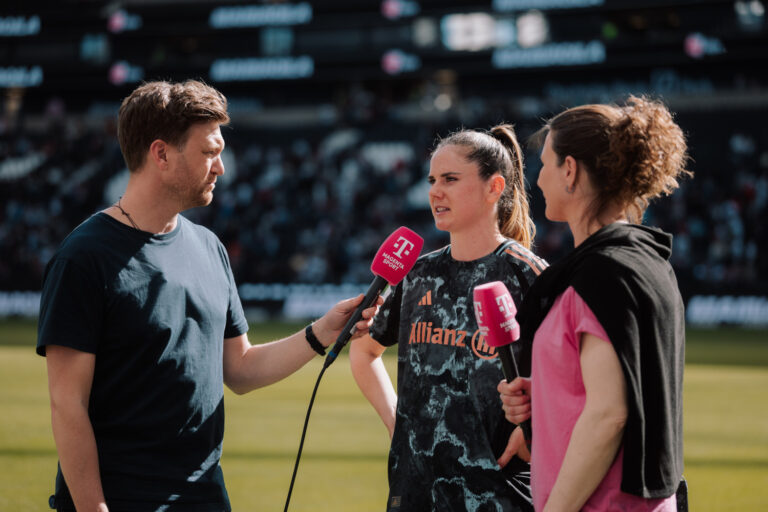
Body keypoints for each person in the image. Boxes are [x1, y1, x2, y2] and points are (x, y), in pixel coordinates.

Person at [36, 79, 380, 512]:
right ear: (160, 153)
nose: (221, 167)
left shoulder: (208, 246)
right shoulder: (83, 258)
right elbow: (68, 404)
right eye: (209, 152)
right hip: (124, 500)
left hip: (205, 498)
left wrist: (323, 331)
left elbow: (239, 368)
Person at [497, 96, 690, 511]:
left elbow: (608, 414)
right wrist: (546, 396)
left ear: (570, 171)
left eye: (546, 164)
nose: (539, 179)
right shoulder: (645, 260)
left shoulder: (602, 273)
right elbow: (622, 386)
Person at [350, 125, 548, 512]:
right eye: (432, 180)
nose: (434, 191)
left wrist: (536, 432)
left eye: (450, 179)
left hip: (498, 491)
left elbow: (575, 374)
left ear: (494, 187)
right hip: (416, 490)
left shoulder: (529, 274)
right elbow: (365, 351)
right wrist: (397, 424)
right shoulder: (417, 274)